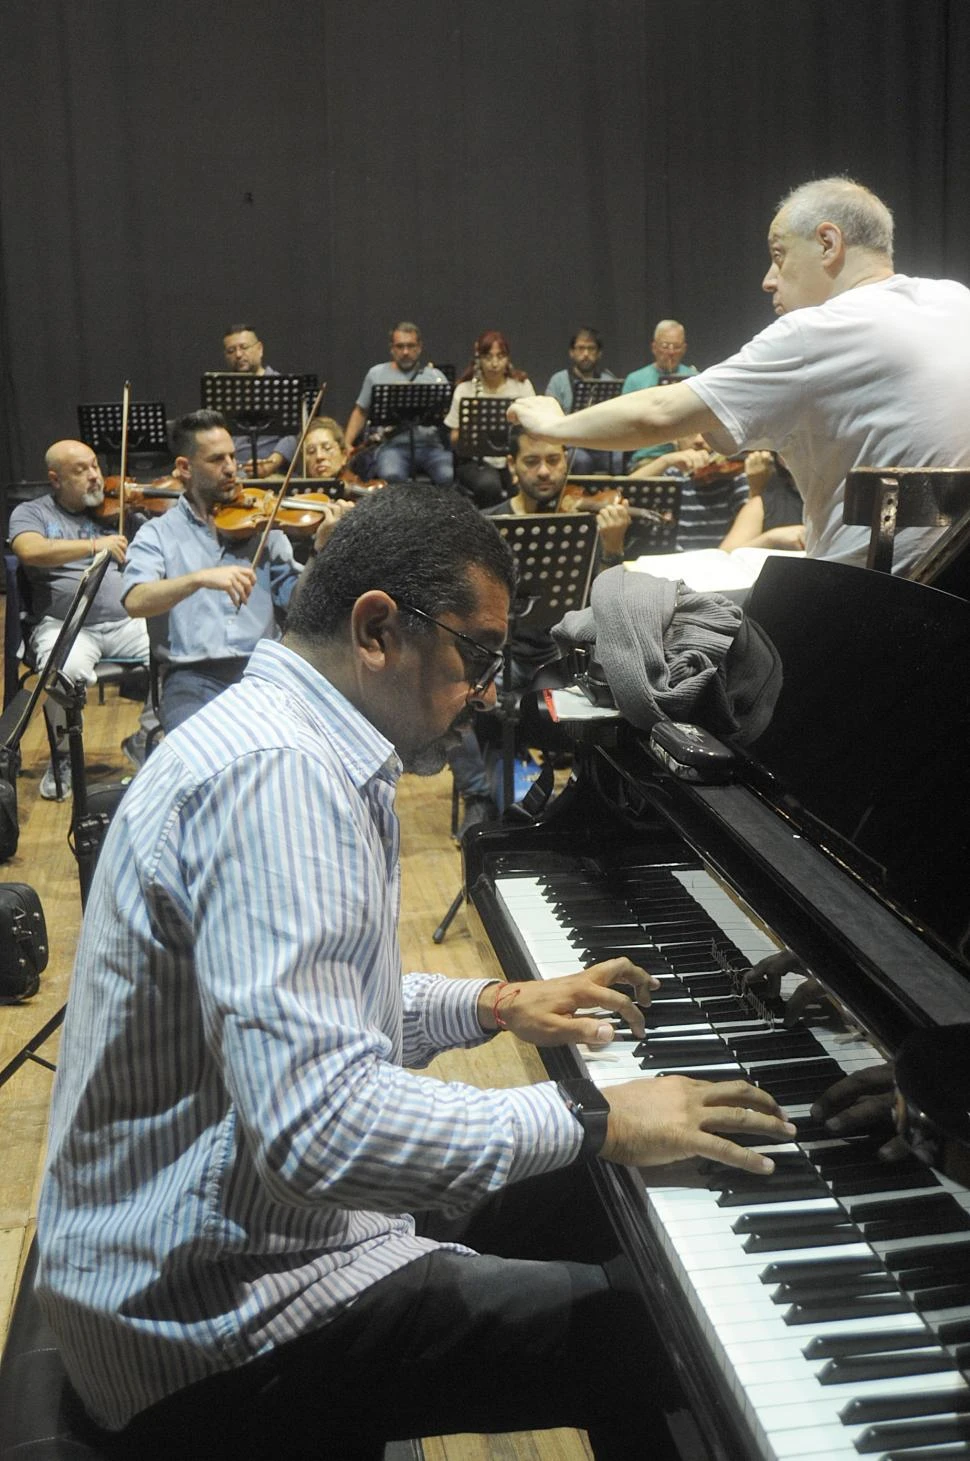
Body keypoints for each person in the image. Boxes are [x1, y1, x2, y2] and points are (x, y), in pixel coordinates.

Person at [35, 483, 792, 1459]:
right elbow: (318, 1128)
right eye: (475, 655)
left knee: (638, 1209)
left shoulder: (282, 737)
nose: (484, 691)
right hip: (208, 1318)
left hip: (219, 1234)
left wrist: (490, 1002)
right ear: (379, 628)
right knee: (684, 1328)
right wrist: (594, 1118)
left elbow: (313, 1023)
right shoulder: (279, 776)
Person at [511, 178, 970, 574]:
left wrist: (555, 426)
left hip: (863, 612)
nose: (769, 279)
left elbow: (660, 411)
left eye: (779, 255)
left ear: (828, 243)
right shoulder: (955, 301)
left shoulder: (817, 331)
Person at [450, 427, 634, 833]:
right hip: (501, 656)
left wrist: (613, 549)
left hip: (561, 654)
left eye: (554, 460)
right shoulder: (490, 524)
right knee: (448, 690)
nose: (545, 471)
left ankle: (597, 794)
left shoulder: (585, 524)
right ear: (513, 467)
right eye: (532, 461)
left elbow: (607, 602)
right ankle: (477, 792)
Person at [121, 409, 336, 732]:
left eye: (233, 457)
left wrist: (321, 551)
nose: (231, 469)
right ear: (184, 468)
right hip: (192, 680)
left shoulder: (264, 525)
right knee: (201, 755)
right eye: (217, 460)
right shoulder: (158, 533)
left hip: (264, 674)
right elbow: (136, 600)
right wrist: (198, 579)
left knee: (305, 744)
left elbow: (300, 605)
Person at [8, 440, 155, 799]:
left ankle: (145, 738)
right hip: (66, 625)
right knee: (60, 674)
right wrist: (93, 545)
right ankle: (63, 758)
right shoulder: (33, 513)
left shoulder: (120, 513)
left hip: (127, 623)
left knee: (176, 651)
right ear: (55, 480)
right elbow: (28, 550)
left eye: (95, 466)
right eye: (81, 471)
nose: (95, 477)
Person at [345, 321, 453, 485]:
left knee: (447, 475)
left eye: (411, 346)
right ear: (391, 348)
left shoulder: (436, 377)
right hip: (393, 446)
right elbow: (361, 411)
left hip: (430, 446)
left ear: (419, 347)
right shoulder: (376, 374)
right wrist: (346, 443)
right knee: (391, 474)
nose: (405, 352)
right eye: (400, 346)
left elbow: (449, 415)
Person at [444, 329, 535, 506]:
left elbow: (532, 427)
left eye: (500, 356)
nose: (494, 363)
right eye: (488, 357)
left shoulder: (521, 386)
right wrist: (472, 426)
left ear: (508, 358)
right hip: (477, 461)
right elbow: (453, 439)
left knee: (524, 484)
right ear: (479, 359)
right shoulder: (465, 389)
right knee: (489, 485)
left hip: (513, 457)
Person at [218, 324, 298, 478]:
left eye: (244, 347)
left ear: (260, 349)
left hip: (275, 471)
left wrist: (271, 463)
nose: (238, 355)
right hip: (234, 470)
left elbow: (293, 434)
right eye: (231, 351)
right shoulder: (225, 392)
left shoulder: (282, 386)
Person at [622, 319, 697, 467]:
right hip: (649, 458)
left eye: (676, 347)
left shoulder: (695, 378)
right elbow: (625, 424)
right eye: (665, 346)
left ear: (684, 348)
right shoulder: (635, 379)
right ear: (654, 347)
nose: (671, 352)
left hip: (689, 455)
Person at [544, 327, 619, 475]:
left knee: (618, 459)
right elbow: (548, 416)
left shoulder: (608, 380)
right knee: (581, 461)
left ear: (599, 353)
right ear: (571, 352)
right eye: (580, 349)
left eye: (591, 349)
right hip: (571, 444)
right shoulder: (558, 380)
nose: (586, 354)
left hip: (601, 443)